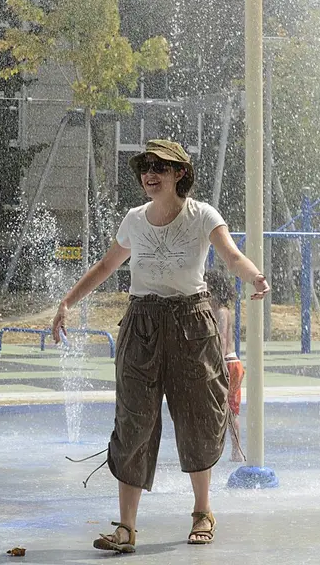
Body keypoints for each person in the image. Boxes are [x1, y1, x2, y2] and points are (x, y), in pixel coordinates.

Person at [51, 139, 269, 554]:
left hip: (192, 324)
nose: (149, 174)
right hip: (143, 325)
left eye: (160, 167)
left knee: (199, 418)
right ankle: (126, 528)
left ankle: (202, 511)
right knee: (133, 423)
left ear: (180, 174)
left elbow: (231, 255)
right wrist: (67, 302)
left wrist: (254, 276)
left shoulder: (202, 215)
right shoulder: (134, 219)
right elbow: (105, 266)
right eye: (145, 167)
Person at [203, 269, 246, 462]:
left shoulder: (221, 312)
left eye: (206, 287)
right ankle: (219, 448)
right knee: (219, 408)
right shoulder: (213, 310)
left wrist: (215, 364)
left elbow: (221, 338)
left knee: (229, 410)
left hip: (227, 364)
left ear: (214, 289)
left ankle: (236, 451)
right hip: (225, 363)